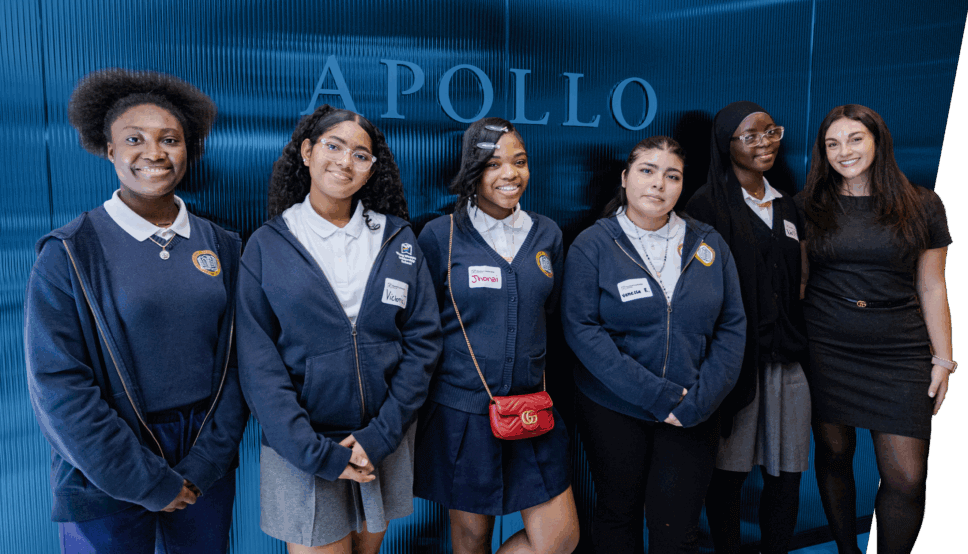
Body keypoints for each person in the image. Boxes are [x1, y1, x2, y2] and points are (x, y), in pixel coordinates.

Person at [24, 69, 248, 553]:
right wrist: (146, 481)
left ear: (189, 150)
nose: (154, 152)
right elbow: (58, 385)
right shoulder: (68, 253)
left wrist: (205, 464)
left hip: (203, 460)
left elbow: (239, 365)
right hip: (104, 463)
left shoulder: (225, 247)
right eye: (134, 139)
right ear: (108, 149)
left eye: (170, 139)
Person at [236, 105, 441, 554]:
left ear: (371, 171)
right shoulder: (267, 245)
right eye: (334, 146)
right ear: (307, 152)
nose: (346, 161)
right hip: (303, 446)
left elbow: (423, 341)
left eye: (361, 154)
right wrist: (315, 452)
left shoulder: (397, 239)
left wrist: (381, 435)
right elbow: (257, 365)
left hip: (382, 438)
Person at [562, 135, 745, 554]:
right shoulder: (594, 244)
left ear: (682, 186)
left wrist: (700, 400)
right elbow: (582, 330)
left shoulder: (709, 243)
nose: (658, 184)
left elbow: (733, 326)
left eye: (672, 175)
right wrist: (657, 395)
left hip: (692, 410)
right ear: (625, 178)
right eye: (647, 171)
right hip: (614, 409)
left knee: (677, 531)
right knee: (617, 518)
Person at [414, 117, 579, 554]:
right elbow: (419, 329)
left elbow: (553, 319)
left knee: (560, 539)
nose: (510, 174)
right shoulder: (440, 236)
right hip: (462, 416)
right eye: (494, 164)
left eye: (519, 162)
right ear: (473, 171)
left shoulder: (547, 234)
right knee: (472, 542)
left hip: (530, 411)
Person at [796, 104, 953, 554]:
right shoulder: (808, 205)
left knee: (907, 479)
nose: (844, 151)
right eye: (832, 144)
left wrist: (943, 359)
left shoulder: (924, 204)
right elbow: (802, 280)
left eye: (854, 139)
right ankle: (847, 550)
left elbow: (933, 285)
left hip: (900, 350)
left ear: (878, 141)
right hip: (827, 344)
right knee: (834, 455)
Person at [686, 101, 810, 554]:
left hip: (788, 361)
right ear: (726, 144)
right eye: (751, 136)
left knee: (788, 473)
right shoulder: (706, 205)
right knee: (729, 476)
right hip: (737, 366)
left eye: (771, 132)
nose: (765, 143)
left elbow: (798, 280)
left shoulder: (788, 205)